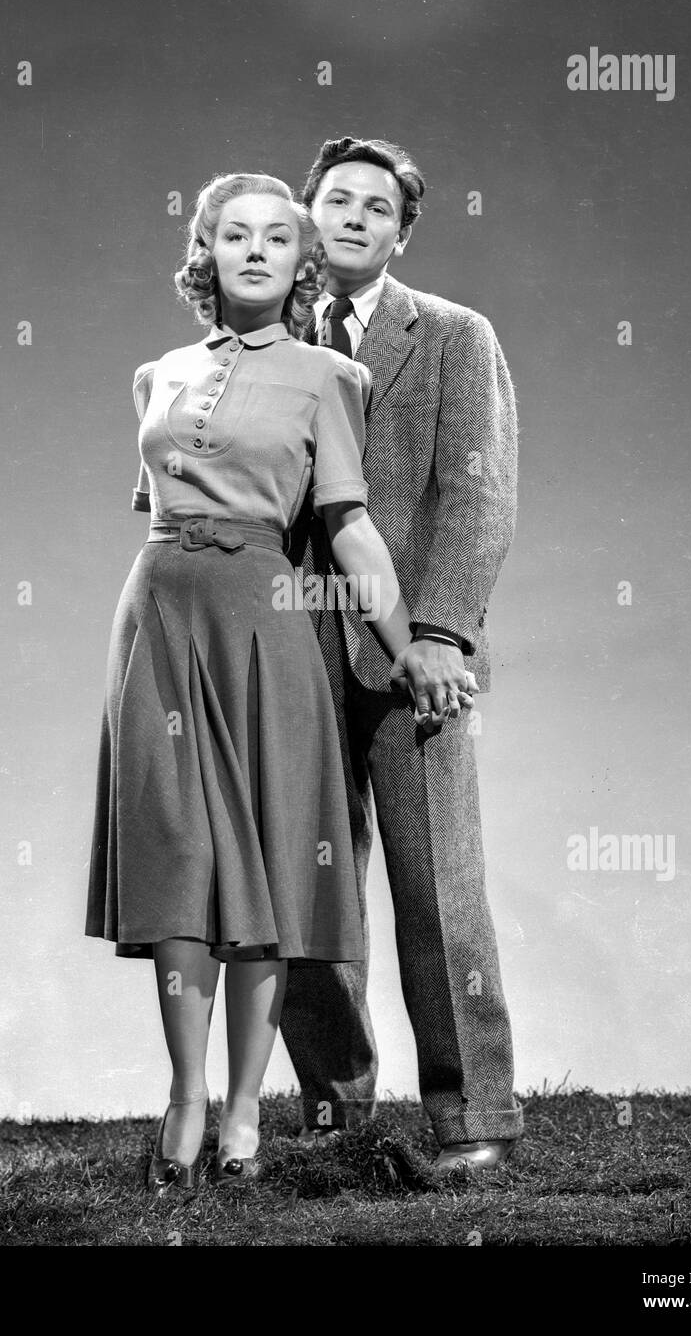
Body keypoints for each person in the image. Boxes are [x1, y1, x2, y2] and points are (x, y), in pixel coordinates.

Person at [84, 172, 463, 1191]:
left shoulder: (327, 377)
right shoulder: (154, 374)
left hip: (264, 625)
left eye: (275, 238)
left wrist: (409, 646)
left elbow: (345, 526)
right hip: (157, 616)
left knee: (253, 865)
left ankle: (246, 1105)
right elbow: (159, 505)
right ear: (202, 253)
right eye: (232, 235)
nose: (254, 250)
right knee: (174, 860)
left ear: (302, 265)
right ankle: (184, 1096)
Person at [280, 137, 524, 1174]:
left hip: (413, 658)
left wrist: (438, 632)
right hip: (285, 653)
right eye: (334, 200)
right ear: (305, 214)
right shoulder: (255, 340)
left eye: (374, 208)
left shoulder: (456, 337)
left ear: (400, 230)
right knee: (305, 893)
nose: (351, 218)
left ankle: (472, 1123)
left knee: (439, 891)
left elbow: (478, 499)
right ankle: (337, 1118)